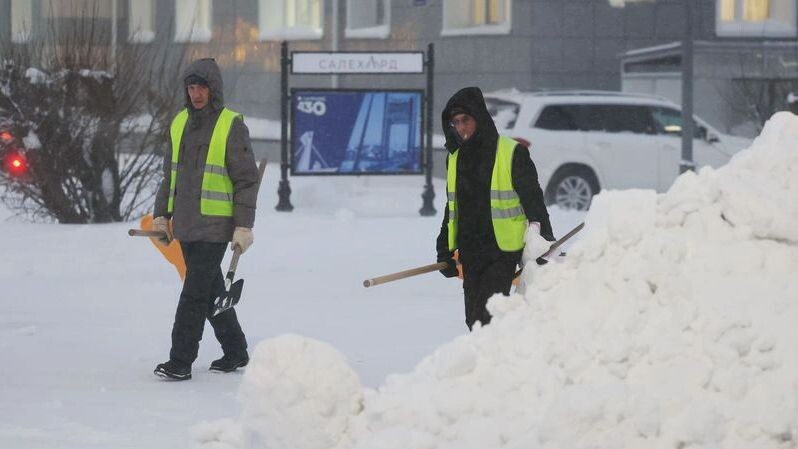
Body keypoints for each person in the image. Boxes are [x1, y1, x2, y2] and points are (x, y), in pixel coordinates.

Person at [151, 58, 259, 380]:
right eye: (191, 87)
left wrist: (243, 226)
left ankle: (180, 361)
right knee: (210, 290)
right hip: (186, 225)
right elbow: (169, 176)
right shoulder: (179, 123)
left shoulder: (231, 124)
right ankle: (236, 351)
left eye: (202, 87)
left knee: (194, 294)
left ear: (214, 89)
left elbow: (246, 180)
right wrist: (161, 216)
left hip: (215, 226)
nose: (196, 93)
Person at [436, 86, 555, 331]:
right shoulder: (455, 158)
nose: (461, 128)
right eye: (455, 123)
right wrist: (444, 249)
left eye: (465, 120)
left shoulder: (512, 153)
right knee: (473, 319)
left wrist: (545, 240)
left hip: (501, 250)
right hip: (470, 249)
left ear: (479, 118)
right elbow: (452, 207)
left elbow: (533, 201)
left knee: (487, 317)